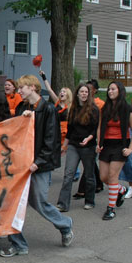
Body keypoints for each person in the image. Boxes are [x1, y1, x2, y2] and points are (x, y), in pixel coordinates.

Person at [0, 74, 74, 257]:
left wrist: (37, 162)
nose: (19, 91)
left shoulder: (48, 109)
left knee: (39, 202)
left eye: (21, 88)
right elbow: (14, 130)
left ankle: (65, 225)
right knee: (13, 202)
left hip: (39, 165)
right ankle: (18, 244)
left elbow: (52, 140)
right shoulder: (21, 108)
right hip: (21, 163)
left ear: (32, 87)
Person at [96, 81, 132, 220]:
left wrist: (130, 148)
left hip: (120, 145)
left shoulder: (127, 109)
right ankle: (121, 190)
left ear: (120, 91)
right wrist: (99, 142)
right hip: (106, 144)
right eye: (109, 89)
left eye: (113, 89)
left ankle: (111, 208)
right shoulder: (105, 108)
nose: (110, 91)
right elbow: (100, 126)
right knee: (103, 177)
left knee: (113, 176)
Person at [57, 84, 99, 212]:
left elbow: (95, 128)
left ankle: (90, 201)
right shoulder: (73, 109)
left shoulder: (93, 109)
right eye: (82, 91)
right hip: (73, 145)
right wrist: (65, 145)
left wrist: (89, 138)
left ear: (89, 94)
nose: (84, 94)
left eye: (86, 92)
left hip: (88, 146)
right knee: (68, 174)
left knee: (89, 174)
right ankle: (63, 203)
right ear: (77, 94)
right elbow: (70, 130)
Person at [75, 79, 104, 198]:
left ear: (95, 91)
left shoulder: (99, 104)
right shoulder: (81, 103)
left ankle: (82, 189)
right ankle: (99, 184)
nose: (85, 92)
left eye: (89, 90)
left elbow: (102, 121)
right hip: (84, 135)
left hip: (95, 134)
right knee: (91, 163)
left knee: (89, 163)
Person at [39, 70, 72, 151]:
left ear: (68, 94)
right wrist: (44, 77)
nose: (61, 93)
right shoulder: (57, 102)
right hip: (55, 129)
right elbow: (49, 90)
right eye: (61, 91)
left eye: (64, 91)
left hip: (65, 132)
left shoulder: (71, 106)